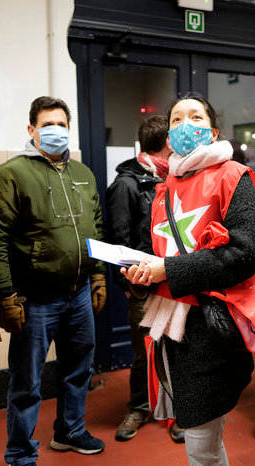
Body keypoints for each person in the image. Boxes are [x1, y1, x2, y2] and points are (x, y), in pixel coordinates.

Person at [122, 92, 255, 465]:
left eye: (196, 117)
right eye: (176, 119)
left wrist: (166, 271)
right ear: (168, 136)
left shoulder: (233, 176)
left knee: (201, 444)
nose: (185, 124)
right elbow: (155, 252)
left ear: (214, 130)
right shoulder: (163, 190)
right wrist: (142, 274)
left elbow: (247, 254)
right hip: (171, 325)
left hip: (210, 325)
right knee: (200, 441)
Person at [0, 96, 106, 464]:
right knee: (26, 382)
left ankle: (69, 432)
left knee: (78, 369)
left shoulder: (84, 174)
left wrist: (100, 275)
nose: (56, 130)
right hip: (35, 298)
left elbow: (96, 228)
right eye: (48, 124)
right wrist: (6, 294)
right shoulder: (11, 173)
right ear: (32, 130)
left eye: (61, 124)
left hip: (80, 293)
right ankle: (21, 453)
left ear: (70, 130)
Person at [106, 115, 186, 443]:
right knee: (144, 350)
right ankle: (139, 407)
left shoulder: (177, 179)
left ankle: (180, 409)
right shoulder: (126, 184)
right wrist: (126, 285)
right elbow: (117, 239)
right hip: (141, 286)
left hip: (176, 280)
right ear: (168, 142)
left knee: (179, 348)